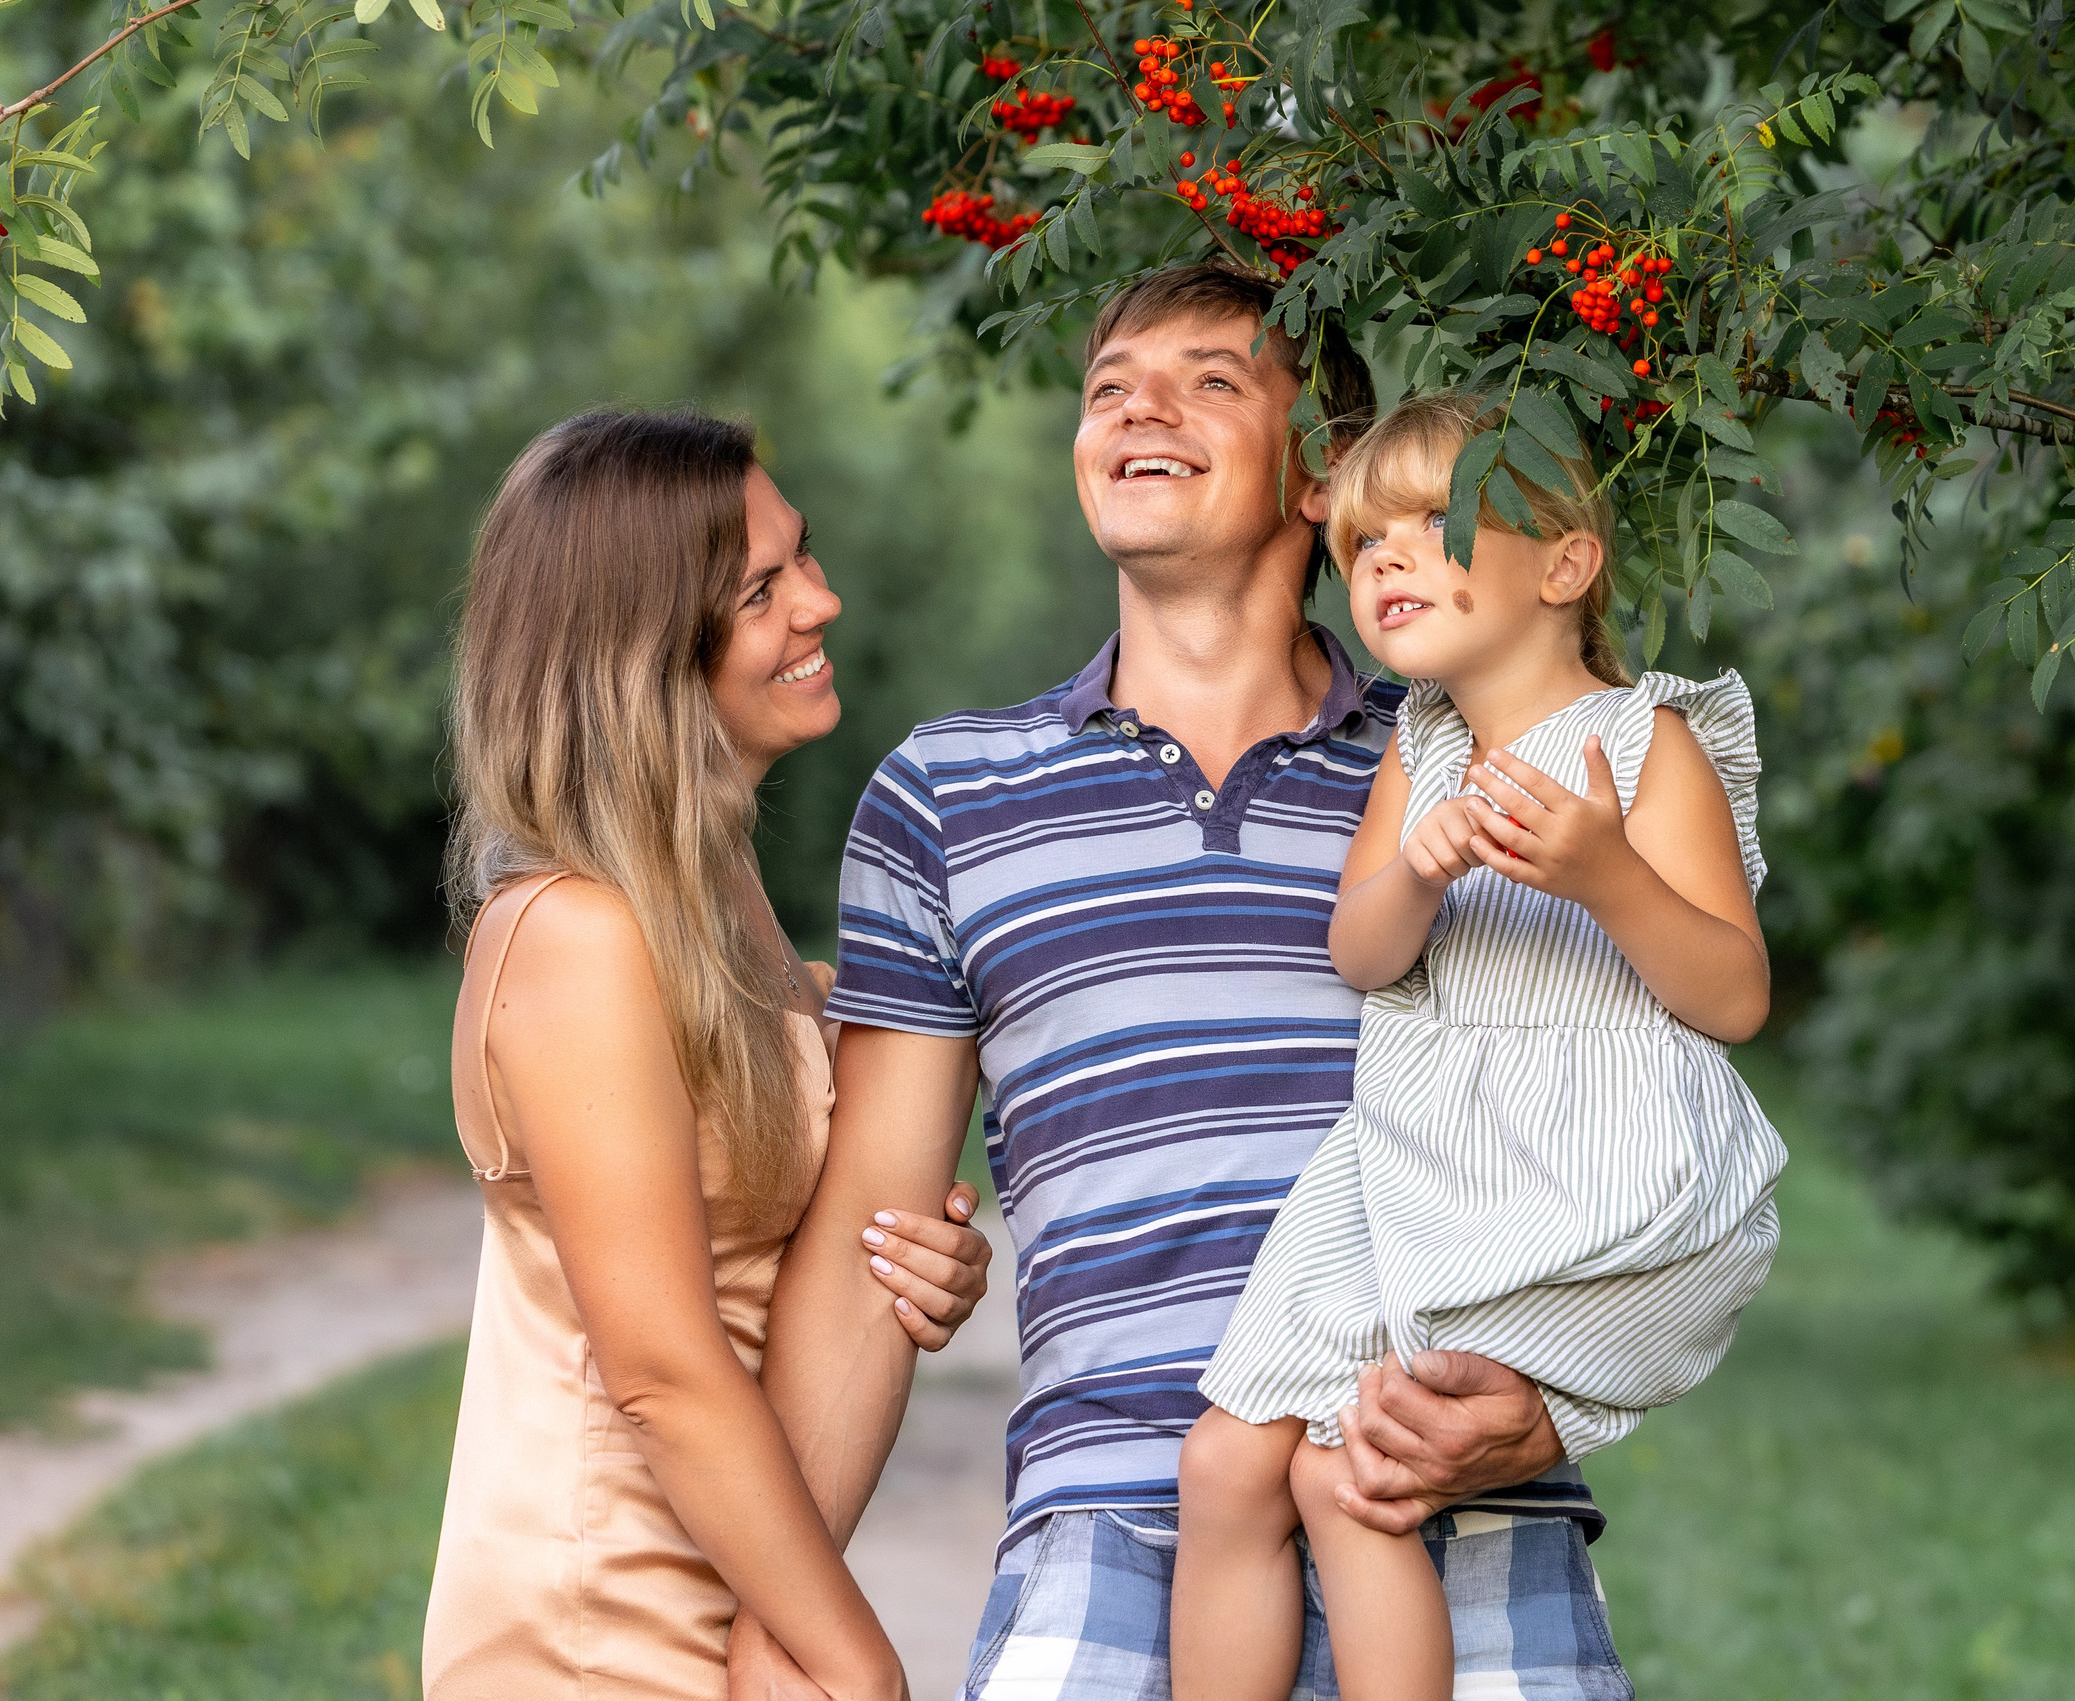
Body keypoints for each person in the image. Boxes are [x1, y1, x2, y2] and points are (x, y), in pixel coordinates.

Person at [725, 263, 1631, 1701]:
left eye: (1211, 379)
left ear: (1323, 471)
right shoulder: (946, 798)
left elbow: (1626, 1138)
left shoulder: (1480, 772)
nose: (1138, 406)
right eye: (1107, 388)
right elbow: (871, 1252)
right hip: (1109, 1536)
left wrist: (1550, 1403)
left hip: (1457, 1524)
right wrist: (781, 1625)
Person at [1170, 393, 1789, 1700]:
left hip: (1583, 1164)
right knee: (1225, 1462)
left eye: (1430, 528)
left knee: (1350, 1478)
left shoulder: (1642, 743)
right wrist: (1414, 871)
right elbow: (1363, 956)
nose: (1385, 559)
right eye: (1360, 544)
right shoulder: (1422, 745)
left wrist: (1606, 873)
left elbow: (1732, 997)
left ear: (1565, 563)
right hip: (1413, 1154)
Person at [424, 409, 993, 1701]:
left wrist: (910, 1257)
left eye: (806, 559)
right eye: (763, 587)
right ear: (639, 653)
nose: (823, 602)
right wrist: (854, 1661)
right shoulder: (575, 934)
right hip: (599, 1611)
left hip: (739, 1567)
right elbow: (665, 1371)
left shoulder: (713, 907)